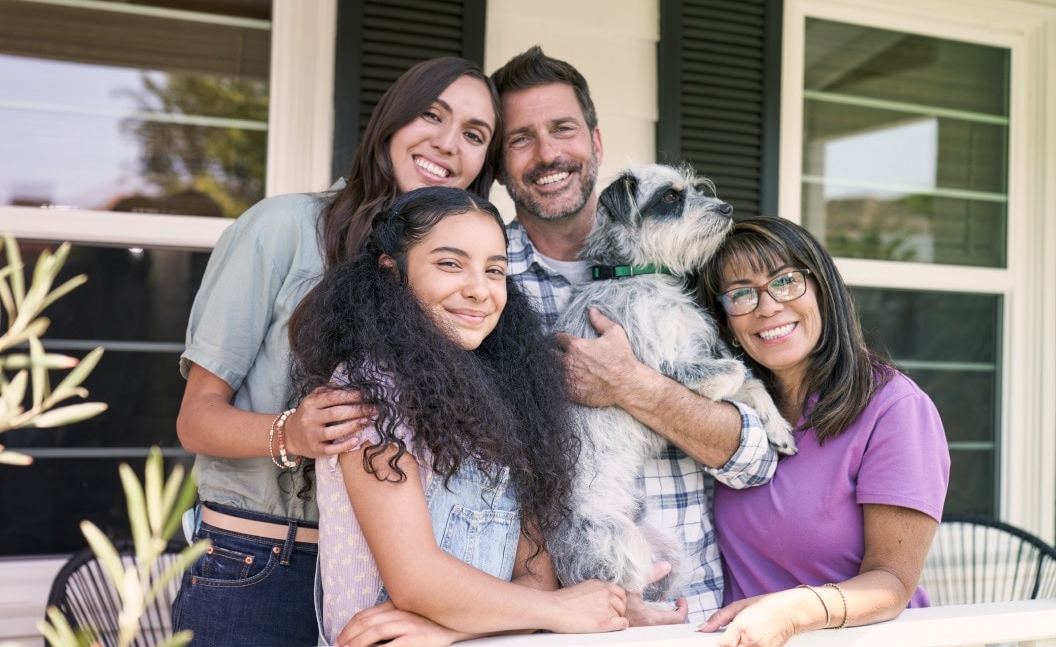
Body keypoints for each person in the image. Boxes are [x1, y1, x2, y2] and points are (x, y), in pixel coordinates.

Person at [171, 56, 503, 646]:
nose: (449, 145)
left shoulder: (466, 284)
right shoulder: (282, 228)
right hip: (262, 562)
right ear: (391, 122)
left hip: (396, 587)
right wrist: (290, 433)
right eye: (433, 115)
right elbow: (196, 419)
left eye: (475, 135)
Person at [489, 46, 779, 625]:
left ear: (595, 143)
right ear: (498, 163)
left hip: (694, 610)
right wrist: (600, 604)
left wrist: (630, 385)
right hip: (558, 615)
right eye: (521, 138)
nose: (548, 153)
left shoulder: (689, 271)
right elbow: (480, 468)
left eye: (563, 129)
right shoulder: (477, 282)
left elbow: (754, 461)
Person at [288, 187, 629, 646]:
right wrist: (562, 610)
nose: (478, 289)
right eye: (450, 264)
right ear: (392, 271)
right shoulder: (370, 390)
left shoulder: (509, 396)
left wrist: (444, 629)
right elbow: (416, 578)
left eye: (494, 270)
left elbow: (534, 578)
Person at [695, 216, 950, 647]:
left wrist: (792, 611)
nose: (768, 306)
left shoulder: (893, 408)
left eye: (786, 281)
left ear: (823, 289)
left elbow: (891, 583)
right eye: (741, 294)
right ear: (727, 325)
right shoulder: (731, 413)